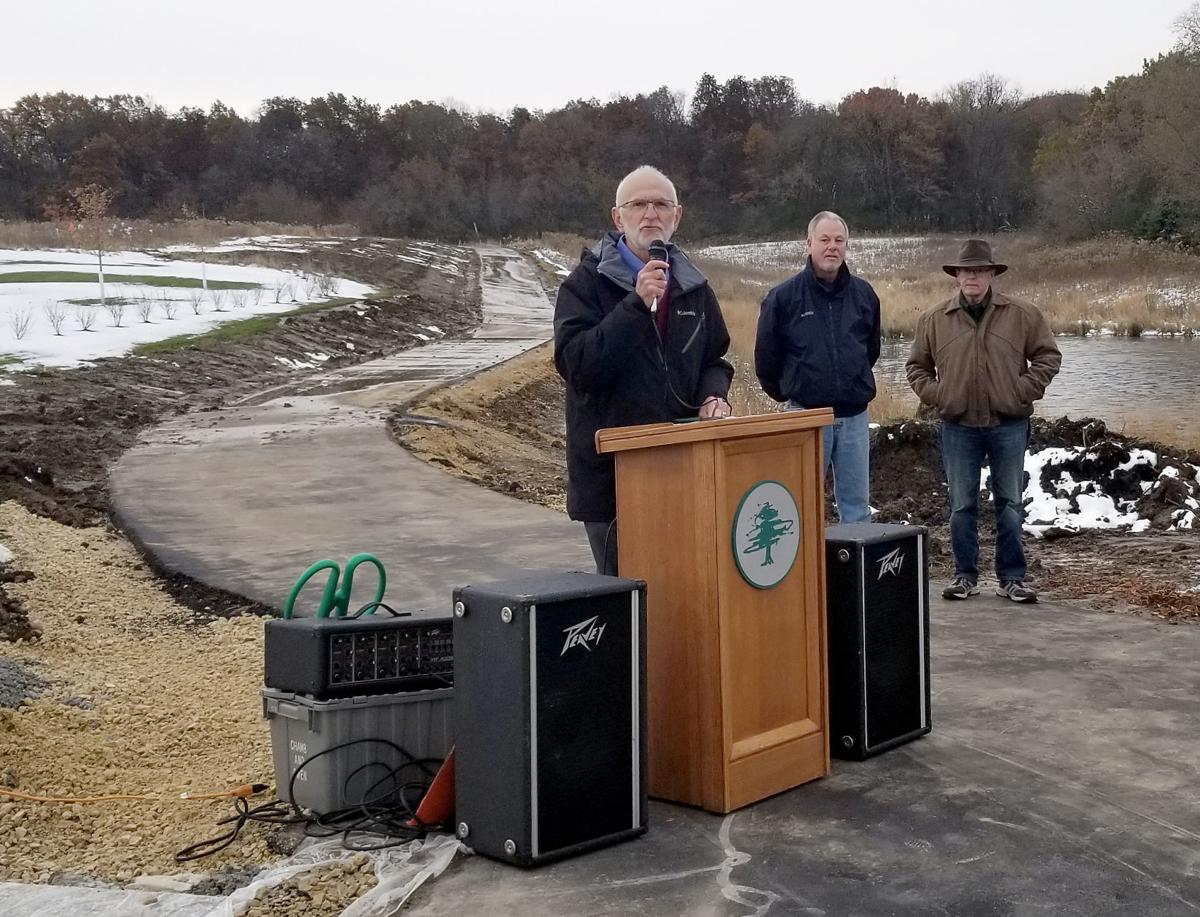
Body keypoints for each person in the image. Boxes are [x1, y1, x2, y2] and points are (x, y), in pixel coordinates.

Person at [553, 165, 734, 575]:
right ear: (618, 218)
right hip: (612, 479)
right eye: (638, 205)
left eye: (661, 205)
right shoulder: (584, 285)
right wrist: (635, 306)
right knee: (626, 604)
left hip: (683, 470)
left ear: (677, 216)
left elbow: (715, 359)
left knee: (684, 591)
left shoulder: (694, 286)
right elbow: (577, 366)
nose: (650, 214)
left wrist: (713, 394)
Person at [906, 239, 1062, 603]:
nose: (972, 276)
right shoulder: (933, 319)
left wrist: (1022, 391)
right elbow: (916, 367)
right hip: (958, 426)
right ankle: (965, 576)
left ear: (992, 274)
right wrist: (940, 396)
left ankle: (1012, 578)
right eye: (966, 270)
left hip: (1009, 424)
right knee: (961, 504)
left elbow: (1048, 357)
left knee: (1010, 502)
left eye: (979, 270)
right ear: (957, 275)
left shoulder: (1023, 314)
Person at [754, 211, 881, 523]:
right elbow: (766, 358)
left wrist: (850, 384)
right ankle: (806, 570)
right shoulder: (783, 298)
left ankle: (851, 570)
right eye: (824, 240)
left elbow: (871, 350)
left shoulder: (864, 295)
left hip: (854, 417)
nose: (832, 247)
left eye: (839, 241)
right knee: (800, 504)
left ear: (847, 246)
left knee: (856, 509)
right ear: (808, 243)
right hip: (807, 417)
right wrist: (792, 392)